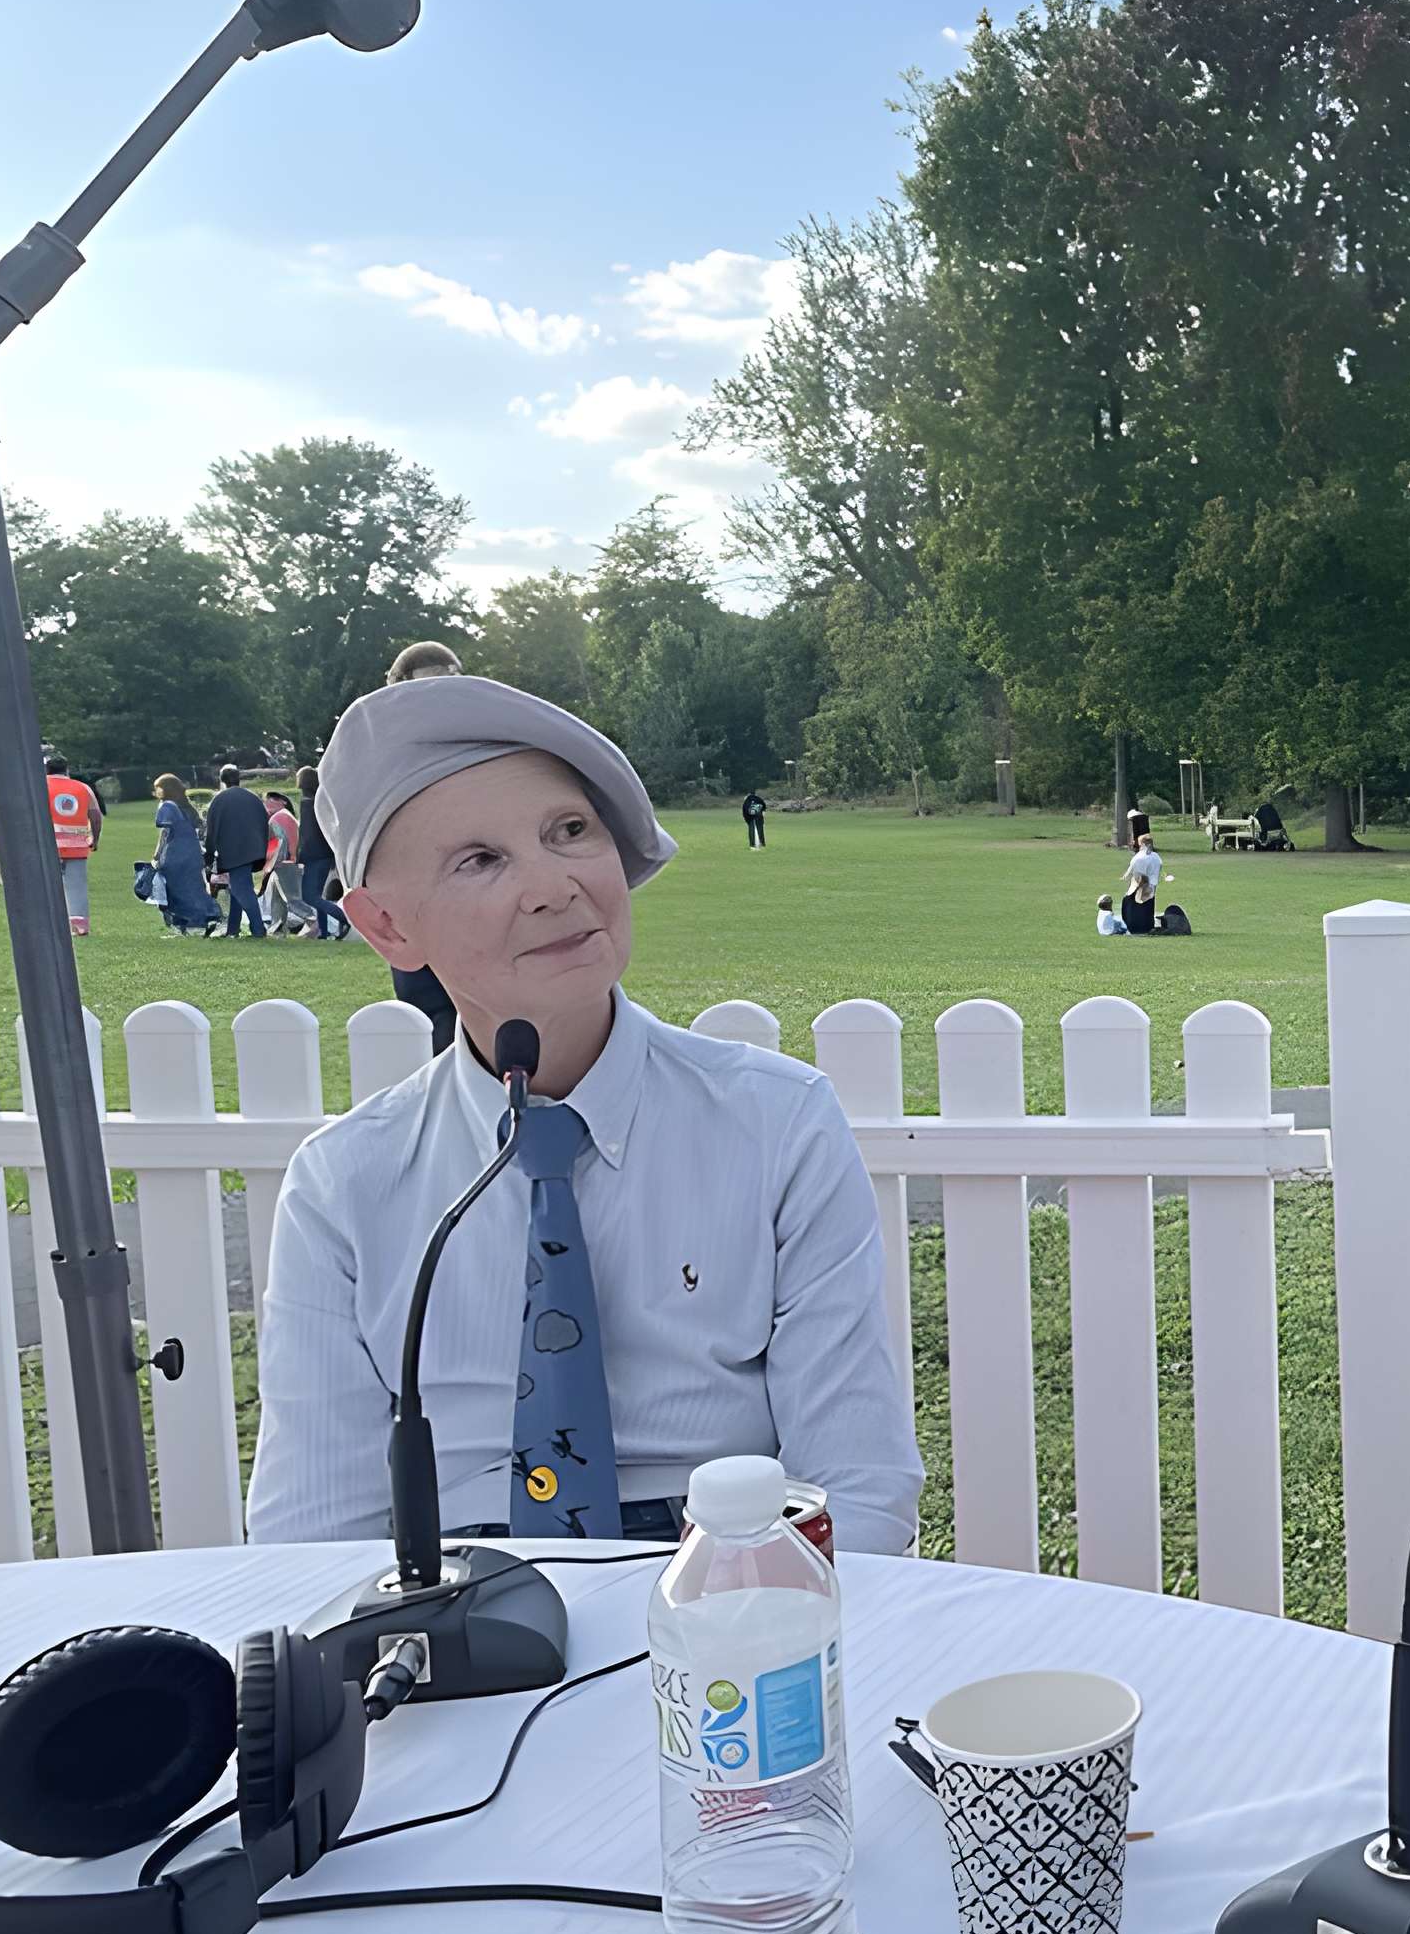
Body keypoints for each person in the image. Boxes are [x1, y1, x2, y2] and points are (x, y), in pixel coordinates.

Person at [244, 670, 920, 1554]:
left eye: (570, 833)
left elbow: (858, 1481)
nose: (554, 886)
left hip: (733, 1587)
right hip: (458, 1613)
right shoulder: (346, 1183)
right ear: (385, 929)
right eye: (480, 860)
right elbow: (312, 1530)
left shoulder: (778, 1124)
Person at [376, 642, 466, 1053]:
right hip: (412, 893)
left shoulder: (478, 743)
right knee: (431, 1015)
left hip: (465, 890)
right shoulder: (379, 751)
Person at [204, 762, 272, 938]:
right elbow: (265, 823)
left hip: (233, 851)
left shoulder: (219, 800)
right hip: (254, 849)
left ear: (222, 780)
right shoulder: (253, 798)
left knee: (242, 890)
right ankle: (233, 929)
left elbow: (211, 831)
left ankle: (258, 929)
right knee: (238, 888)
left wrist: (209, 856)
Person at [150, 774, 221, 935]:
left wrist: (156, 855)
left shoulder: (167, 806)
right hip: (193, 853)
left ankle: (185, 923)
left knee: (175, 889)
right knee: (194, 887)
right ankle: (208, 915)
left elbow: (165, 833)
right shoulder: (188, 808)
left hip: (175, 853)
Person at [43, 754, 102, 935]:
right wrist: (95, 838)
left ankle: (51, 923)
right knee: (77, 887)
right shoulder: (82, 788)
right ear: (67, 769)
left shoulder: (40, 786)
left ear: (46, 770)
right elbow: (96, 815)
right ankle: (79, 926)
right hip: (77, 845)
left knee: (47, 885)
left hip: (47, 845)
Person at [294, 762, 350, 941]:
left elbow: (307, 835)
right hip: (325, 855)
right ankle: (324, 932)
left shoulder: (306, 804)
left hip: (314, 856)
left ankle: (345, 918)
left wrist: (300, 855)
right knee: (320, 896)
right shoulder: (321, 802)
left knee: (310, 896)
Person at [264, 787, 308, 932]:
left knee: (292, 901)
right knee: (278, 899)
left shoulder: (280, 817)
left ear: (282, 802)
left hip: (283, 863)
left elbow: (279, 843)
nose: (267, 803)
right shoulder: (283, 816)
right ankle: (277, 928)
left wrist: (289, 858)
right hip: (283, 863)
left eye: (271, 799)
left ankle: (315, 920)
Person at [1119, 829, 1161, 934]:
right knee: (1148, 905)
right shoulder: (1156, 856)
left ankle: (1134, 925)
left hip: (1140, 882)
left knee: (1134, 904)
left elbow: (1134, 870)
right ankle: (1147, 926)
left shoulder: (1139, 857)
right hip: (1152, 884)